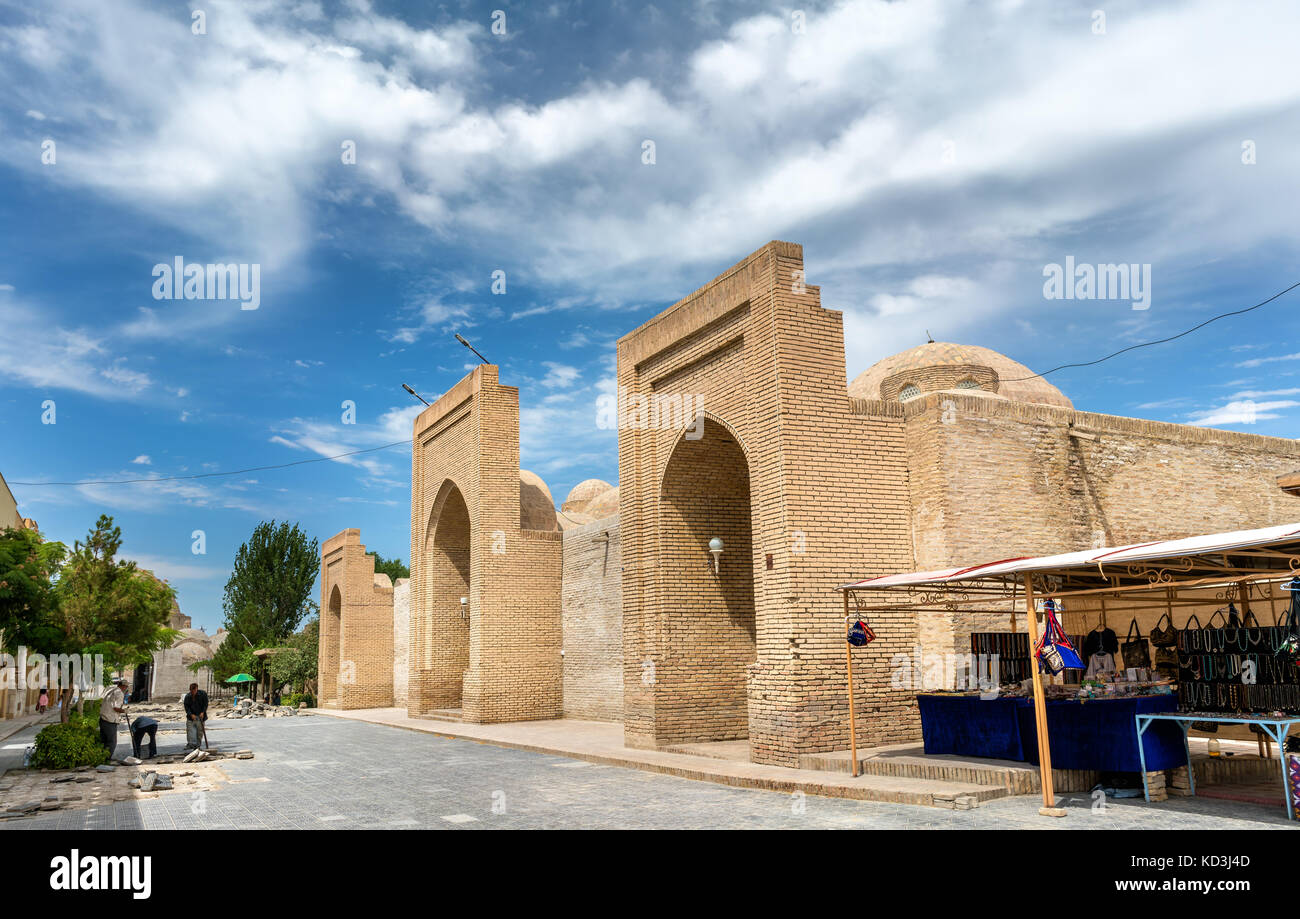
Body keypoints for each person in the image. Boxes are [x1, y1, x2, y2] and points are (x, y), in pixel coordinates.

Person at [99, 679, 128, 759]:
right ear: (124, 686)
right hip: (110, 720)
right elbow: (116, 708)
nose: (126, 689)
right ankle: (106, 760)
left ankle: (101, 758)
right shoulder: (119, 693)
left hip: (102, 719)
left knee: (104, 741)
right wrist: (124, 711)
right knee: (112, 742)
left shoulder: (110, 689)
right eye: (126, 687)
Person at [183, 682, 208, 750]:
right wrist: (191, 714)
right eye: (191, 691)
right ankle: (191, 744)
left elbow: (205, 704)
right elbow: (186, 707)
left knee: (200, 732)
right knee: (190, 731)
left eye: (194, 691)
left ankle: (197, 745)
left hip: (201, 716)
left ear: (197, 689)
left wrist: (203, 712)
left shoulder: (203, 694)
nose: (193, 692)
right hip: (191, 717)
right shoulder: (188, 696)